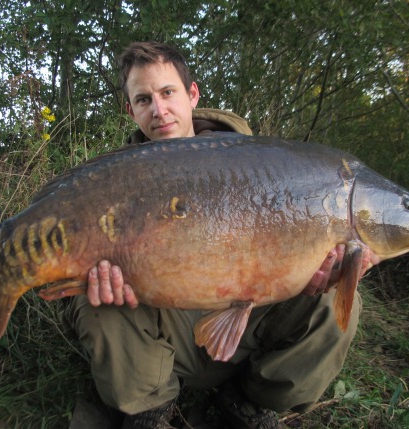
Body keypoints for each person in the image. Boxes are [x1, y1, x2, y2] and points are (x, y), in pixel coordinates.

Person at [62, 41, 366, 429]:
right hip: (159, 339)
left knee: (336, 299)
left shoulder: (260, 165)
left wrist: (308, 277)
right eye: (143, 99)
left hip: (245, 333)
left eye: (167, 92)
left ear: (192, 94)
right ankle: (150, 409)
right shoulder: (112, 185)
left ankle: (246, 402)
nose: (159, 110)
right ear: (131, 110)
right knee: (96, 294)